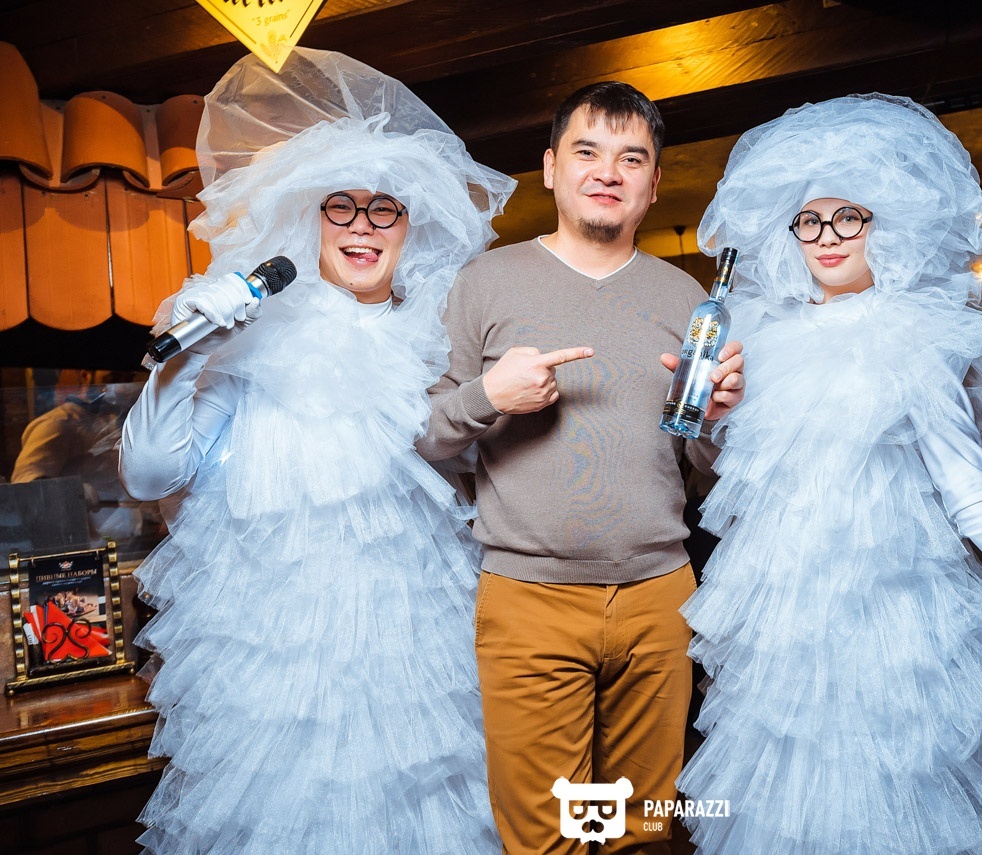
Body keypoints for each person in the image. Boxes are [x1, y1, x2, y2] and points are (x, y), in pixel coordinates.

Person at [676, 94, 982, 854]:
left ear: (886, 225)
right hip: (788, 641)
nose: (827, 237)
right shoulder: (758, 339)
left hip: (894, 632)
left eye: (849, 217)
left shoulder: (916, 338)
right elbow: (721, 479)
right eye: (808, 220)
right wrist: (707, 420)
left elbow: (974, 495)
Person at [118, 49, 514, 854]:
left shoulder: (441, 348)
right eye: (342, 206)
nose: (363, 225)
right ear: (312, 219)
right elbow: (152, 473)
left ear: (411, 228)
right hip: (280, 677)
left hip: (416, 671)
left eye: (385, 209)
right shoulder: (251, 337)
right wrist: (189, 357)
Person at [417, 81, 745, 854]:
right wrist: (488, 396)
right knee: (546, 839)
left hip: (662, 597)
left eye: (631, 158)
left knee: (642, 832)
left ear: (653, 184)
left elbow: (701, 463)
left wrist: (715, 421)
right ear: (550, 167)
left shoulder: (685, 296)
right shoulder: (483, 282)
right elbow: (426, 437)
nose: (608, 171)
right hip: (528, 598)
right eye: (587, 151)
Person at [11, 369, 148, 543]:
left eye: (127, 378)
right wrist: (71, 492)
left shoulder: (115, 421)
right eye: (112, 378)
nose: (121, 388)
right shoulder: (56, 424)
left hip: (131, 542)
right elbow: (24, 484)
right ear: (85, 376)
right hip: (89, 546)